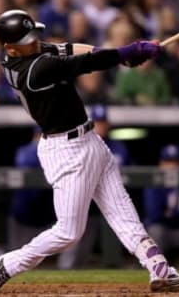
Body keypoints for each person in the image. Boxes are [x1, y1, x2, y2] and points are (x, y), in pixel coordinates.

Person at [0, 9, 179, 293]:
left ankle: (161, 270)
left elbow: (70, 48)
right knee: (68, 232)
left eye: (35, 34)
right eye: (28, 39)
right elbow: (85, 63)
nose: (36, 41)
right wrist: (128, 51)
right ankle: (9, 264)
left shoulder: (27, 52)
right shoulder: (33, 70)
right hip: (66, 151)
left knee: (124, 216)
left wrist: (119, 54)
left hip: (91, 140)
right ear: (10, 47)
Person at [58, 104, 131, 269]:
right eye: (97, 122)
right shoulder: (78, 146)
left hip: (109, 209)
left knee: (117, 253)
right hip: (86, 209)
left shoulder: (119, 147)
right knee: (72, 253)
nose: (100, 126)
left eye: (103, 122)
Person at [8, 126, 56, 251]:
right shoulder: (25, 151)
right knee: (19, 254)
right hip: (24, 216)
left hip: (47, 215)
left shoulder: (56, 151)